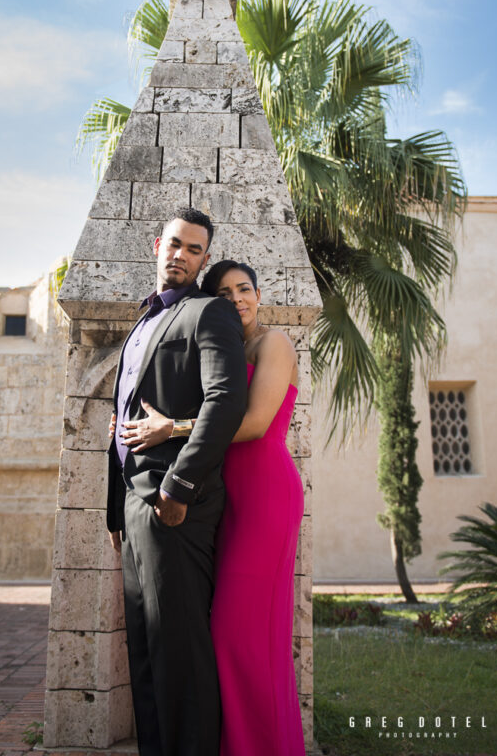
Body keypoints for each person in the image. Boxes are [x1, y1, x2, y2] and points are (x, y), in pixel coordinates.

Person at [122, 259, 306, 756]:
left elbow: (254, 424)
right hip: (226, 495)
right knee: (222, 634)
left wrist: (172, 428)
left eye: (244, 289)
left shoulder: (275, 345)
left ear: (260, 294)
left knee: (240, 637)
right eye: (224, 294)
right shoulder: (227, 347)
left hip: (265, 493)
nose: (237, 300)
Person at [107, 210, 248, 756]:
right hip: (133, 506)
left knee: (180, 657)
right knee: (144, 654)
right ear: (156, 245)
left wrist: (176, 490)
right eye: (174, 244)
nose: (181, 255)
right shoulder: (143, 322)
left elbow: (225, 401)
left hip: (174, 509)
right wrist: (114, 508)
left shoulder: (208, 313)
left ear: (203, 259)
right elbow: (120, 414)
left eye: (194, 250)